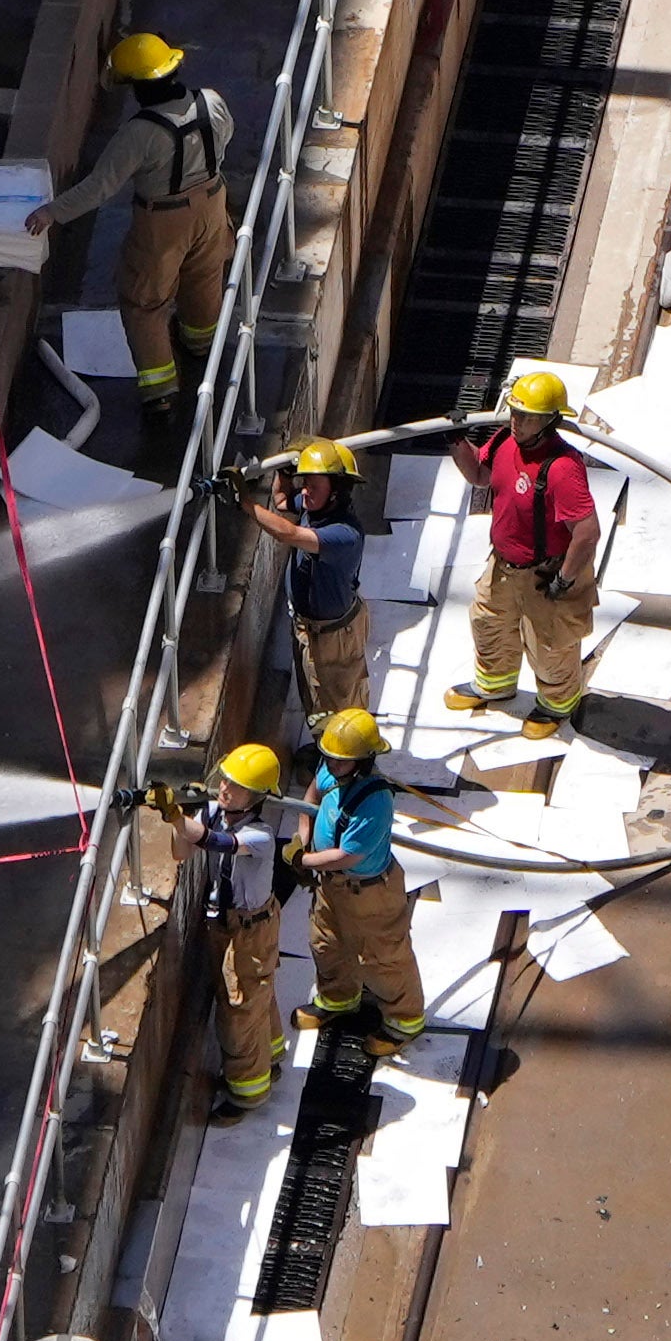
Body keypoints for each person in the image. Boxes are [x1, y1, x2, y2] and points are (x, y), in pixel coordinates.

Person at [43, 33, 239, 407]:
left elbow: (100, 186)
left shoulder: (138, 134)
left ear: (138, 87)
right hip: (213, 203)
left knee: (144, 302)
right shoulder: (211, 102)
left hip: (163, 221)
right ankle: (200, 343)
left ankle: (160, 391)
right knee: (204, 275)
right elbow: (225, 138)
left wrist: (51, 212)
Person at [451, 368, 603, 734]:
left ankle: (556, 705)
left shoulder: (563, 469)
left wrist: (564, 581)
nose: (516, 421)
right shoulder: (506, 441)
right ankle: (495, 685)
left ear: (549, 421)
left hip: (546, 572)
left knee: (550, 645)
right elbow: (480, 475)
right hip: (503, 564)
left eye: (527, 416)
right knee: (489, 622)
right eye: (514, 412)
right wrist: (456, 441)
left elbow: (587, 532)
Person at [300, 709, 427, 1047]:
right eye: (327, 757)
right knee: (327, 941)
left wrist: (304, 860)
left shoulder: (376, 801)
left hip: (369, 893)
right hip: (333, 885)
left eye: (340, 761)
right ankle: (338, 998)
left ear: (363, 761)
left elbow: (348, 855)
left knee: (382, 958)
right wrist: (302, 838)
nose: (331, 765)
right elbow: (311, 795)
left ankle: (404, 1021)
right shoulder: (332, 770)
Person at [244, 437, 372, 730]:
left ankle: (346, 760)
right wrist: (284, 473)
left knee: (341, 704)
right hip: (309, 629)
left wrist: (245, 504)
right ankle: (324, 748)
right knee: (316, 698)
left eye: (313, 486)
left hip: (334, 637)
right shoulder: (315, 508)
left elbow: (287, 533)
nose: (305, 492)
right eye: (305, 484)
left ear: (336, 492)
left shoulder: (344, 534)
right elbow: (281, 501)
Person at [194, 743, 293, 1121]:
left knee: (239, 1008)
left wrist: (175, 816)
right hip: (231, 923)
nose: (224, 789)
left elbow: (214, 842)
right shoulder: (217, 813)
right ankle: (271, 1055)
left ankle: (248, 1093)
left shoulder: (260, 836)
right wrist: (181, 813)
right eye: (224, 780)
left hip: (252, 929)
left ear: (256, 798)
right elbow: (184, 846)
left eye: (236, 787)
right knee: (257, 994)